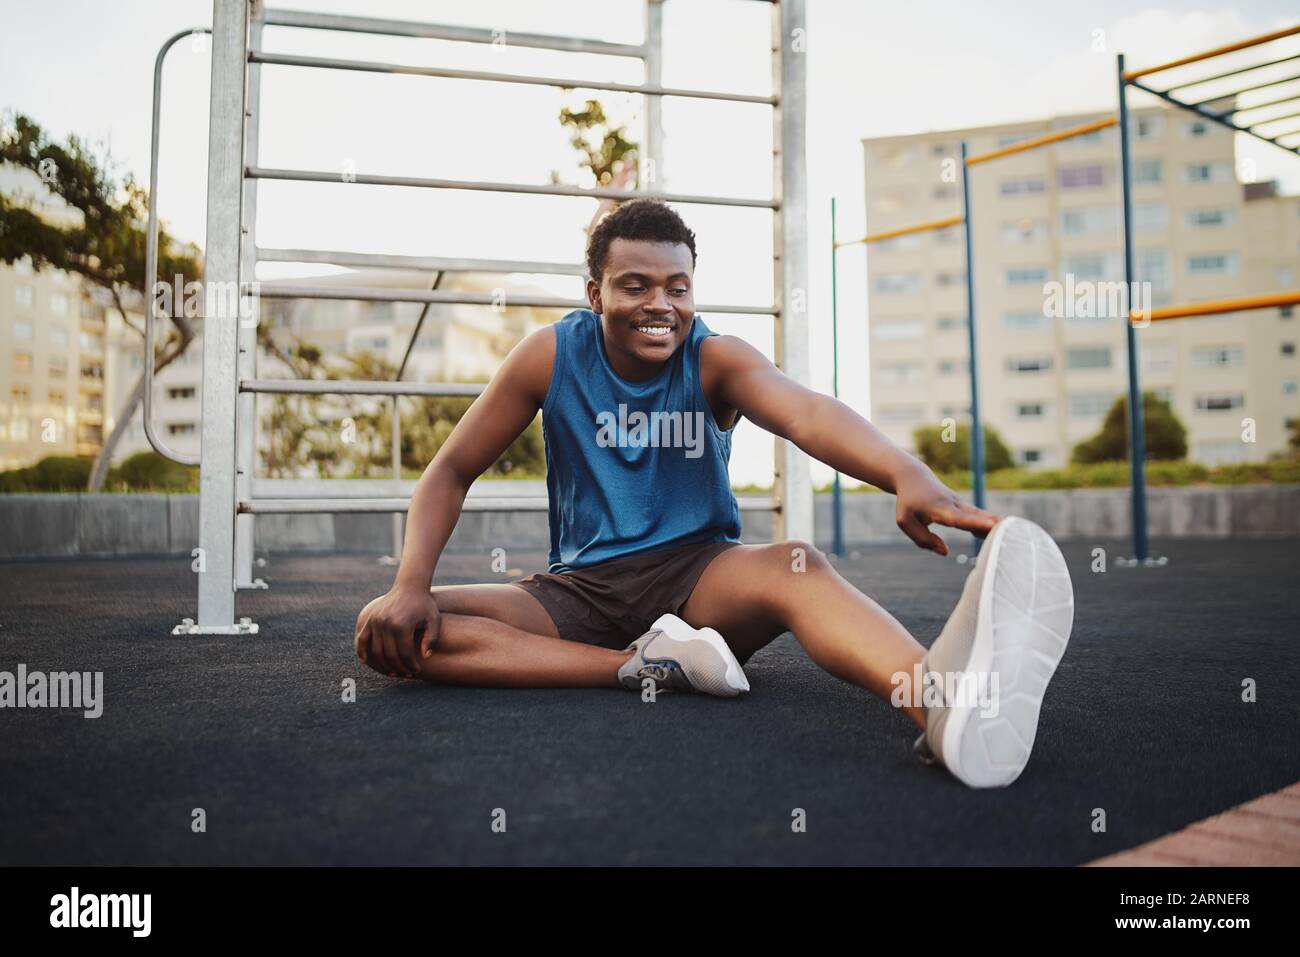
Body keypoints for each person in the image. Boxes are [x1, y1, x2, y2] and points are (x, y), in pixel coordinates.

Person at [355, 198, 1074, 788]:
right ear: (595, 292)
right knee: (395, 626)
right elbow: (450, 470)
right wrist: (410, 582)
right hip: (575, 592)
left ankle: (945, 703)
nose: (660, 303)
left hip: (697, 582)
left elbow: (806, 411)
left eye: (678, 286)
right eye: (635, 284)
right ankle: (643, 666)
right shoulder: (549, 354)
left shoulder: (715, 358)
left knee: (797, 563)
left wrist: (905, 473)